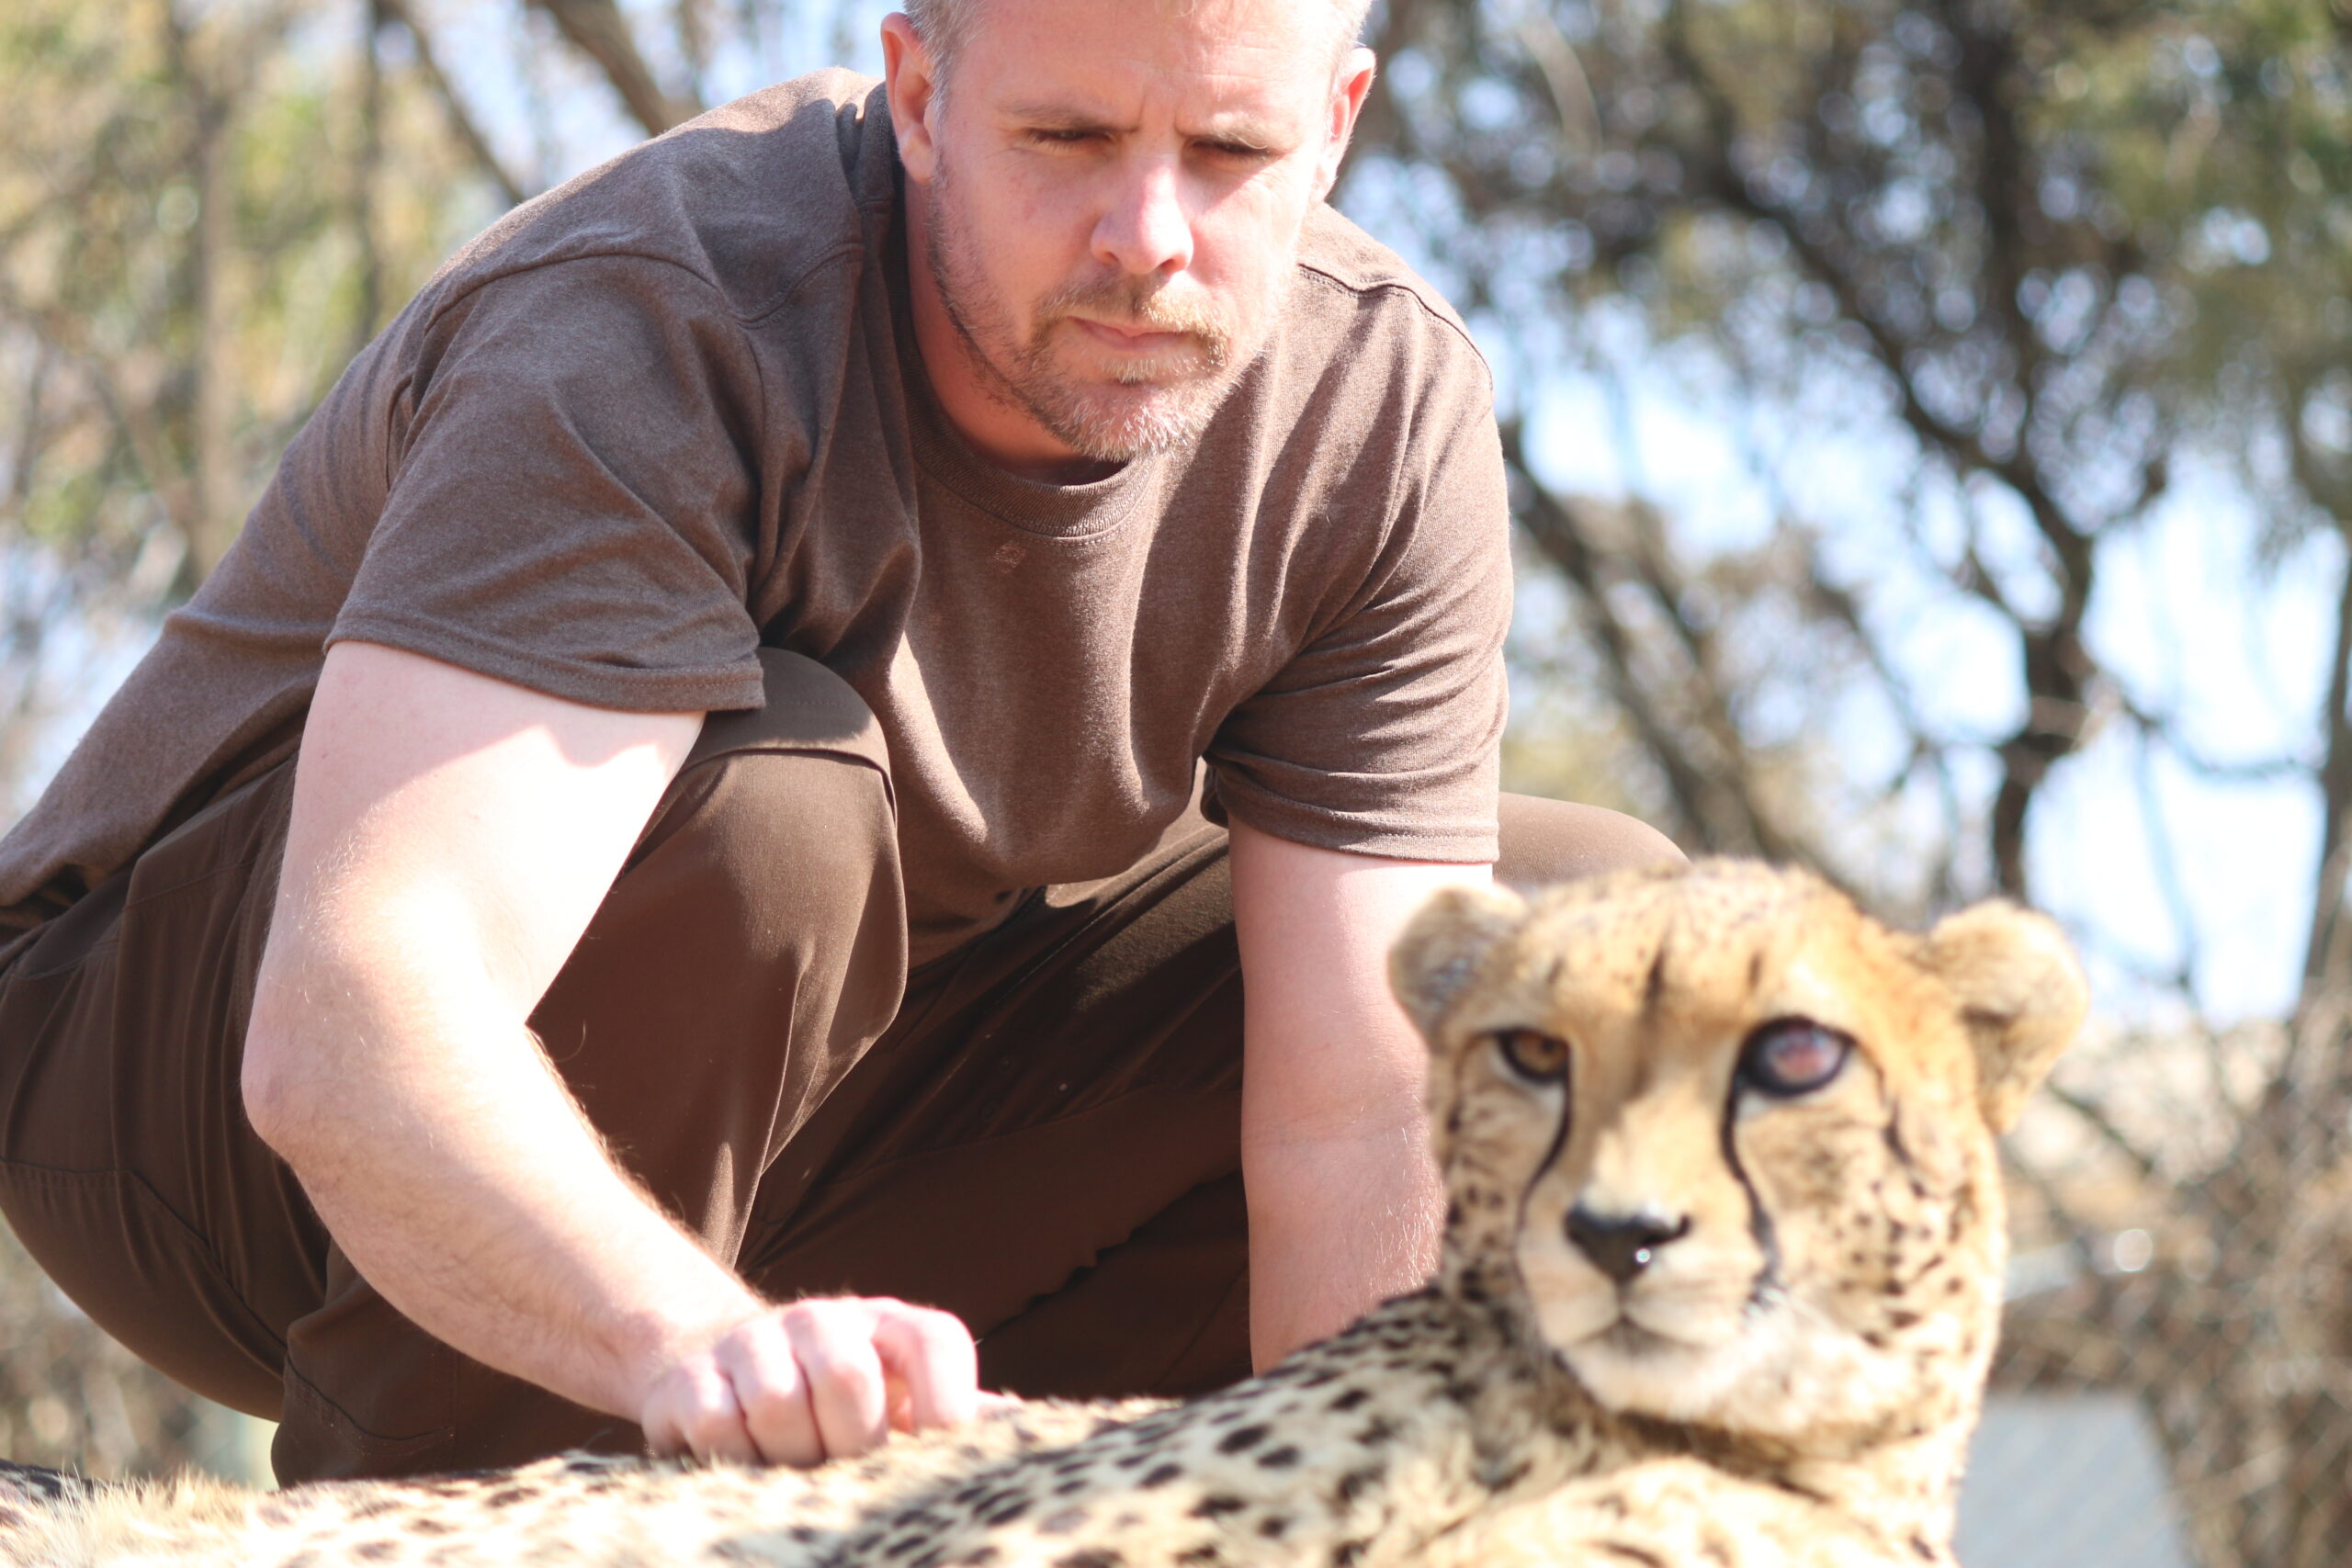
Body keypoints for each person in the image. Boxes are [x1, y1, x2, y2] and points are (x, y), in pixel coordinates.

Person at [0, 0, 1680, 1484]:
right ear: (922, 97)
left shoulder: (1379, 406)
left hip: (822, 1117)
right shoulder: (660, 313)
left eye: (1231, 150)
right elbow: (351, 1021)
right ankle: (462, 1507)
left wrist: (1369, 1504)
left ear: (1336, 122)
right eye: (1069, 137)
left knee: (1580, 948)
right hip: (200, 1114)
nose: (1149, 238)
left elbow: (1360, 1120)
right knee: (771, 814)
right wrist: (687, 1345)